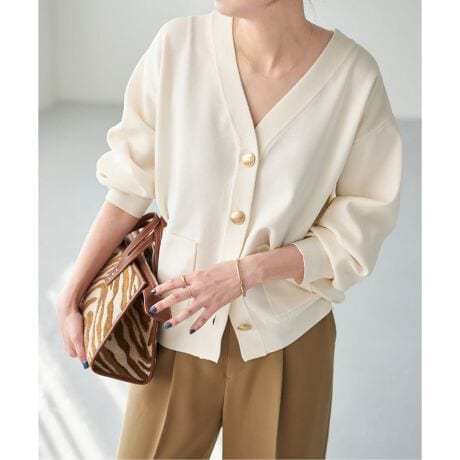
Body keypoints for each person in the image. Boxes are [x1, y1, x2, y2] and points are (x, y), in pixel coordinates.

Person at [57, 0, 403, 458]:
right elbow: (129, 185)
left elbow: (358, 227)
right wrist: (73, 290)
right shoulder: (177, 48)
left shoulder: (354, 80)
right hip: (173, 324)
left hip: (288, 341)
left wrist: (249, 271)